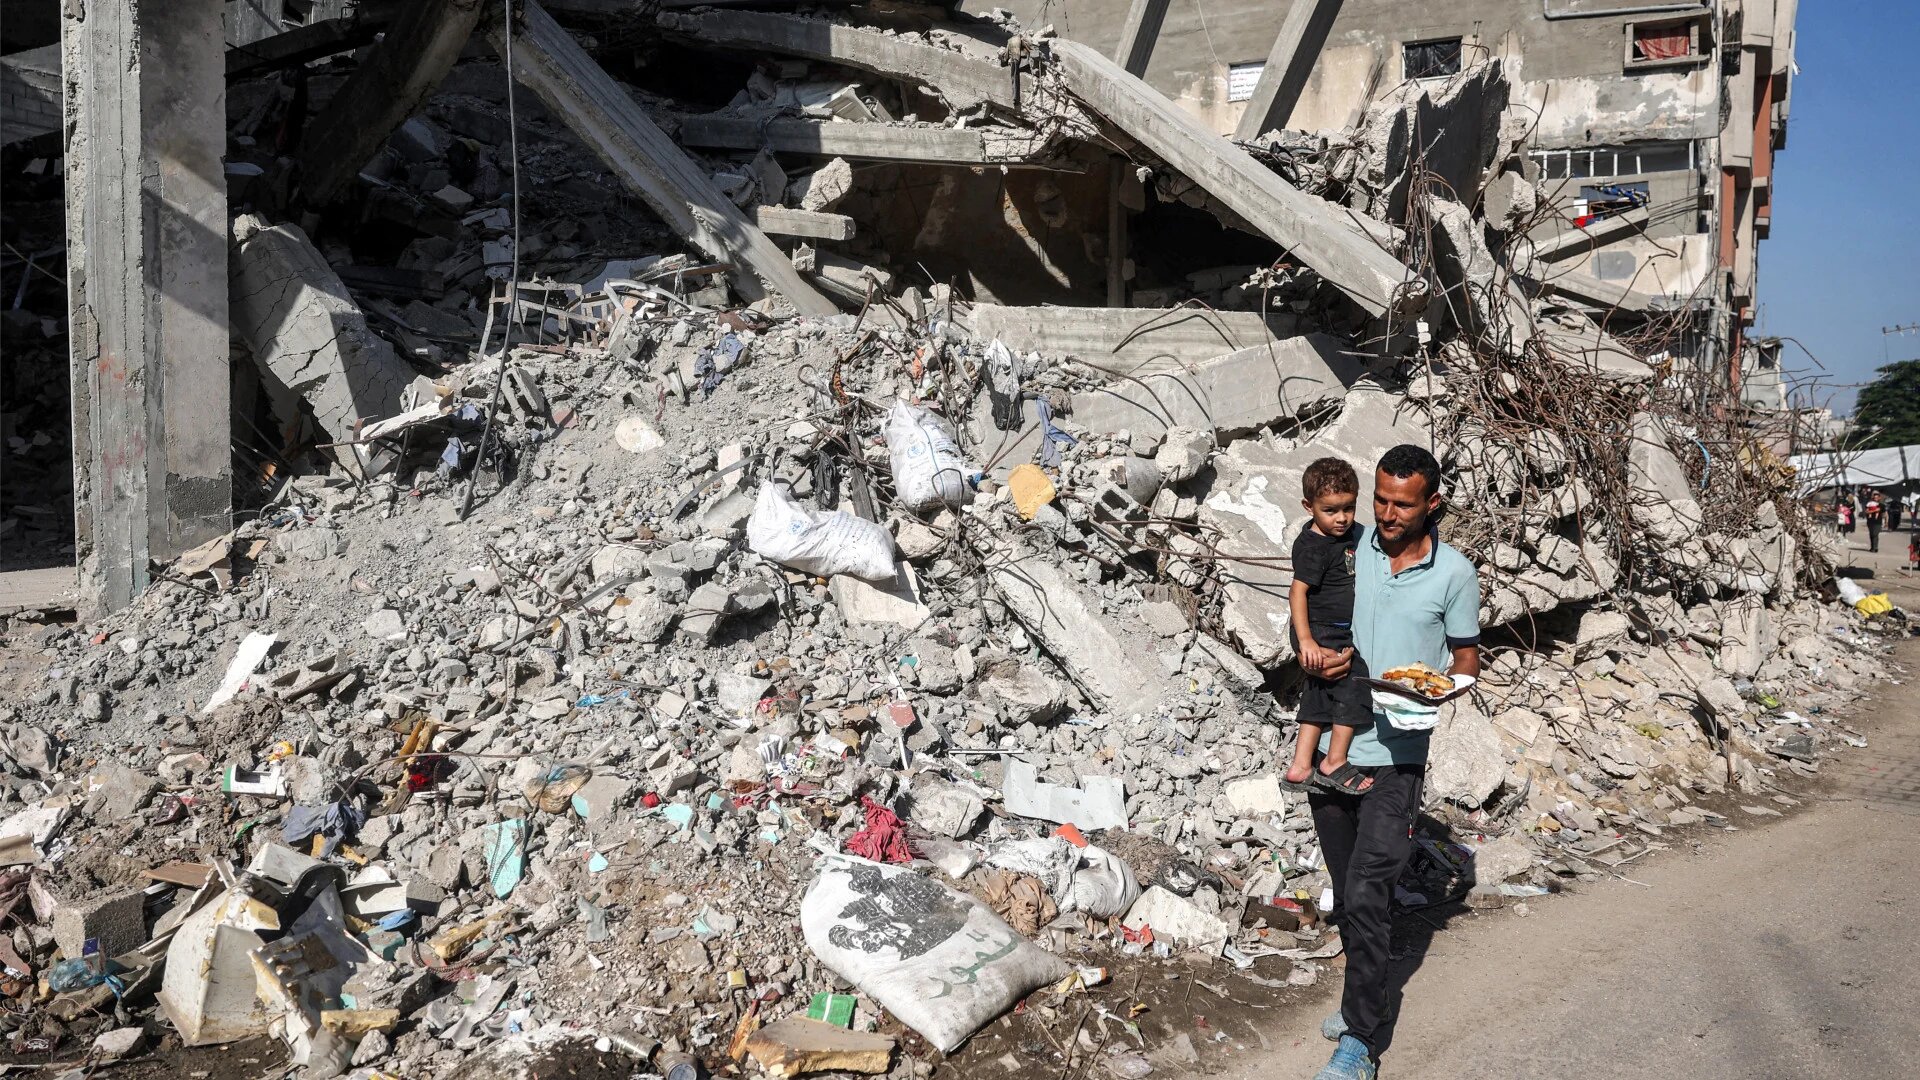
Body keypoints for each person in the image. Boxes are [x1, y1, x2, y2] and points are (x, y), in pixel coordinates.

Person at [1309, 444, 1481, 1080]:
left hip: (1396, 757)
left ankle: (1360, 1040)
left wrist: (1439, 689)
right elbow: (1310, 597)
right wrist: (1312, 651)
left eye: (1401, 504)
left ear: (1431, 504)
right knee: (1347, 895)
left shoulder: (1454, 574)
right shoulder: (1352, 547)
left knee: (1367, 891)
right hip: (1334, 748)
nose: (1385, 514)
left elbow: (1467, 659)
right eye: (1379, 499)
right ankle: (1368, 996)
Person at [1283, 458, 1373, 796]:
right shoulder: (1313, 547)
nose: (1342, 518)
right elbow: (1297, 591)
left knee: (1318, 689)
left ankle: (1300, 766)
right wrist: (1306, 640)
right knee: (1354, 680)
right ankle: (1335, 761)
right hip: (1321, 629)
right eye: (1330, 510)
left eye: (1349, 508)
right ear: (1309, 507)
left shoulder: (1344, 535)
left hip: (1325, 628)